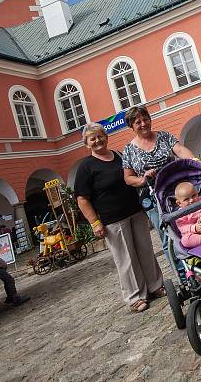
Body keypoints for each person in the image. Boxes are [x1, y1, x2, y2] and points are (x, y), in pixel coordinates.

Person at [79, 122, 165, 312]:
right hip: (112, 220)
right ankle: (135, 296)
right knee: (125, 258)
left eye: (100, 136)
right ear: (87, 144)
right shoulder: (86, 166)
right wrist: (95, 223)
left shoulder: (119, 156)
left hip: (135, 211)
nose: (97, 140)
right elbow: (82, 199)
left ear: (106, 137)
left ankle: (155, 286)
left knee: (145, 251)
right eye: (92, 138)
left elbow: (133, 178)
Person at [121, 106, 195, 266]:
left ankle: (199, 263)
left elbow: (180, 150)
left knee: (190, 226)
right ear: (131, 126)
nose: (143, 124)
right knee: (168, 236)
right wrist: (142, 179)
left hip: (176, 192)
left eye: (145, 119)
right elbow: (128, 178)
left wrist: (194, 161)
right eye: (137, 122)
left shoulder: (164, 136)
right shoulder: (128, 150)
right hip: (152, 198)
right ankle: (184, 277)